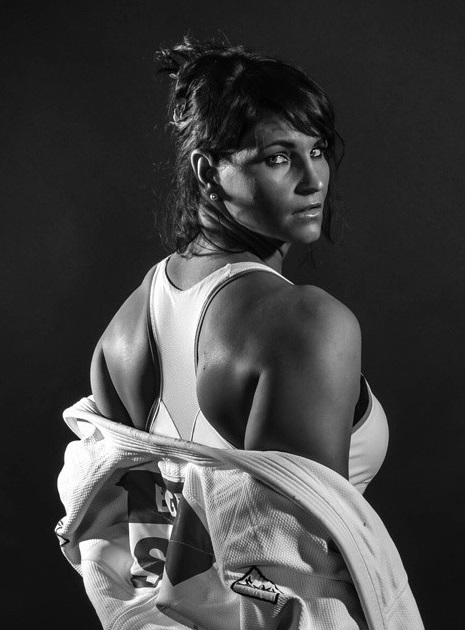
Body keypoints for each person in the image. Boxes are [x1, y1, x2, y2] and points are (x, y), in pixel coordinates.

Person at [56, 36, 424, 629]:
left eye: (318, 150)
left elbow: (143, 561)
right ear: (208, 172)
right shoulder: (305, 324)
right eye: (278, 158)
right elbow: (286, 584)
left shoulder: (122, 332)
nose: (314, 180)